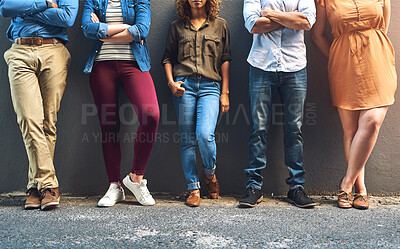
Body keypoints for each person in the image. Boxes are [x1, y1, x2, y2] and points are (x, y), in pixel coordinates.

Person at [311, 0, 397, 209]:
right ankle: (361, 190)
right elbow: (317, 34)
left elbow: (383, 27)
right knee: (350, 130)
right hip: (343, 64)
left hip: (377, 60)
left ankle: (346, 183)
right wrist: (336, 56)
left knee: (372, 122)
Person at [0, 0, 78, 210]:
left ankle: (36, 187)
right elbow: (5, 8)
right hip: (20, 51)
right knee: (28, 118)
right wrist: (44, 4)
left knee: (48, 122)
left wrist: (25, 11)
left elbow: (66, 18)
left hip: (54, 50)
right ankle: (50, 184)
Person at [82, 0, 159, 207]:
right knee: (109, 126)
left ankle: (135, 178)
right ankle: (114, 186)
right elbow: (88, 29)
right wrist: (127, 28)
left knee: (151, 115)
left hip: (134, 64)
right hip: (101, 67)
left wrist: (104, 34)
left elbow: (142, 30)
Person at [240, 0, 317, 208]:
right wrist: (290, 19)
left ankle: (296, 188)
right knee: (258, 129)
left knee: (295, 129)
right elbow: (253, 25)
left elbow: (306, 21)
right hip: (261, 65)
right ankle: (254, 186)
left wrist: (270, 14)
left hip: (295, 67)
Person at [162, 0, 231, 207]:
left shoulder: (220, 25)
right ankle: (193, 188)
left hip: (211, 86)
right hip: (185, 86)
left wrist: (225, 92)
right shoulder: (176, 27)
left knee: (204, 135)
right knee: (187, 139)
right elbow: (167, 58)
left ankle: (210, 174)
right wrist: (171, 84)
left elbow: (225, 58)